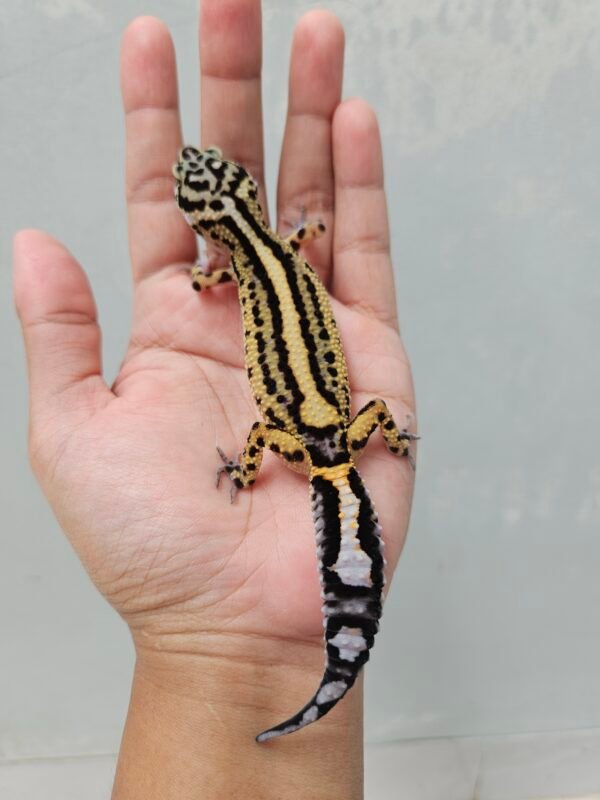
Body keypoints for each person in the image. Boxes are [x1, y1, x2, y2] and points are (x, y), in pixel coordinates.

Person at [13, 1, 416, 797]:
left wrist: (243, 468)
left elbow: (203, 284)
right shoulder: (286, 245)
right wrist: (391, 439)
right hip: (336, 426)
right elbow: (297, 241)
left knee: (274, 448)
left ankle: (327, 668)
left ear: (210, 222)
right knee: (351, 468)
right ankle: (329, 666)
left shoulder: (223, 271)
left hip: (305, 438)